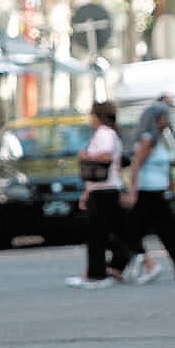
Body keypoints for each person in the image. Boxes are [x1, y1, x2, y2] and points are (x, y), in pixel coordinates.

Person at [121, 102, 175, 282]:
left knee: (146, 230)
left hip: (156, 191)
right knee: (155, 230)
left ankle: (118, 265)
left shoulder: (160, 139)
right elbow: (136, 165)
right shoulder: (148, 139)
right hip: (147, 192)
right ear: (157, 119)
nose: (167, 121)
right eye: (165, 117)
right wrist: (133, 191)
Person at [68, 100, 131, 289]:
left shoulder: (104, 133)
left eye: (92, 115)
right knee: (114, 231)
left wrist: (85, 156)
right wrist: (87, 192)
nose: (90, 119)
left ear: (98, 116)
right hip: (102, 188)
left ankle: (97, 274)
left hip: (104, 190)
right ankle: (115, 264)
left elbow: (106, 156)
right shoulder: (107, 133)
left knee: (97, 234)